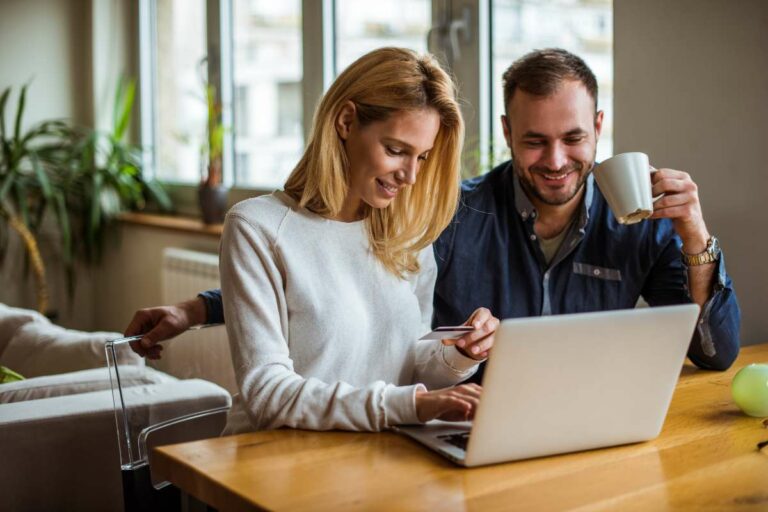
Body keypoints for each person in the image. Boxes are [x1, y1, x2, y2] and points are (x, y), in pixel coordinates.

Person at [126, 48, 739, 386]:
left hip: (589, 423)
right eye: (533, 142)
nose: (556, 161)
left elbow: (716, 354)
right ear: (505, 134)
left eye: (574, 138)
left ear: (599, 128)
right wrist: (200, 307)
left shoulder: (647, 222)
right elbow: (331, 271)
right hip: (466, 422)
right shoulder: (452, 212)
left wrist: (696, 237)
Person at [145, 47, 499, 433]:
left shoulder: (406, 234)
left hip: (382, 450)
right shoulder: (257, 227)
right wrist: (411, 404)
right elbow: (269, 394)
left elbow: (410, 364)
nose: (410, 176)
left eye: (423, 158)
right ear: (346, 121)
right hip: (281, 459)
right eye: (397, 151)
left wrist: (457, 355)